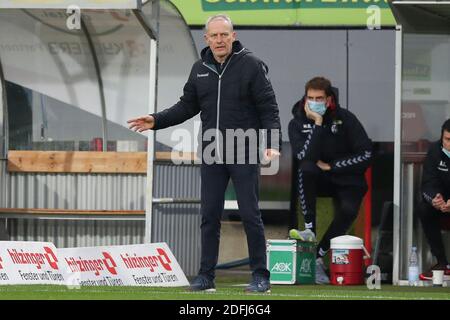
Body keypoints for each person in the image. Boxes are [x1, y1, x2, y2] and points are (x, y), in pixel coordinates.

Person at [128, 14, 281, 293]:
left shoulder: (251, 65)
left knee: (250, 214)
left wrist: (272, 143)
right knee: (209, 215)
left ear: (233, 36)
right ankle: (205, 277)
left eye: (224, 35)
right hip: (212, 152)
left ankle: (261, 276)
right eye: (214, 36)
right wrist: (155, 119)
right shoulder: (199, 68)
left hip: (244, 150)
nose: (220, 40)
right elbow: (186, 107)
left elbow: (268, 108)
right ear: (206, 39)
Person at [288, 77, 372, 284]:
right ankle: (309, 231)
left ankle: (317, 256)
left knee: (349, 210)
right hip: (318, 177)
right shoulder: (297, 121)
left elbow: (367, 153)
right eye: (310, 98)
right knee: (306, 169)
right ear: (305, 98)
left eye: (319, 98)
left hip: (347, 178)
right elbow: (305, 157)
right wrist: (317, 122)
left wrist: (333, 166)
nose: (314, 101)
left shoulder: (345, 118)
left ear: (328, 99)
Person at [418, 119, 450, 280]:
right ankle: (442, 263)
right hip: (442, 205)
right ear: (442, 138)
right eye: (447, 140)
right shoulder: (435, 152)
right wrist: (435, 200)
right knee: (424, 209)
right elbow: (427, 184)